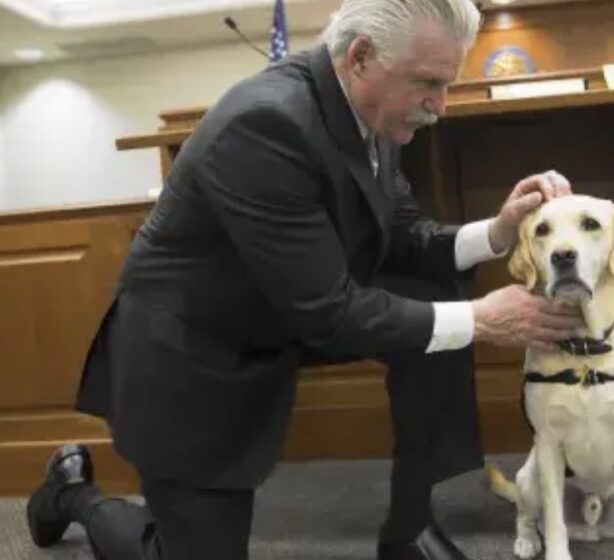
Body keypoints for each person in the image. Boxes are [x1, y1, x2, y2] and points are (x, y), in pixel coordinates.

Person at [23, 1, 584, 559]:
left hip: (274, 316)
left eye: (446, 84)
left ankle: (409, 530)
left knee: (433, 296)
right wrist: (484, 319)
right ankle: (72, 495)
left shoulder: (372, 111)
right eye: (427, 83)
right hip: (189, 358)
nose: (439, 106)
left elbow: (404, 237)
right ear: (360, 57)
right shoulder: (265, 125)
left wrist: (499, 231)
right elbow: (329, 312)